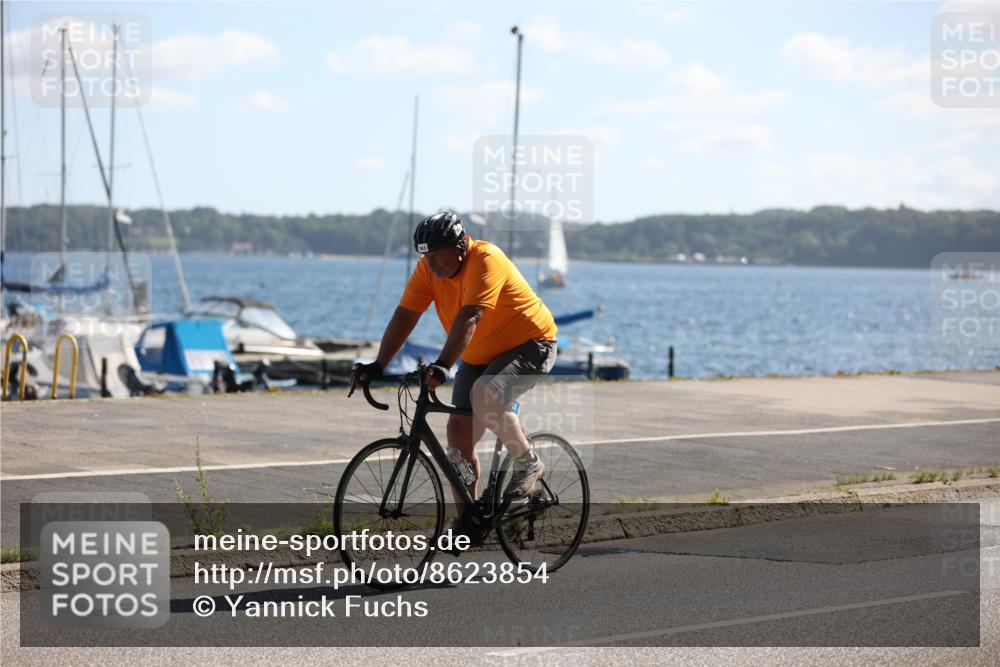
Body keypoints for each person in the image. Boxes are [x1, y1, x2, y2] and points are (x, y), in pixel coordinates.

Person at [353, 211, 558, 531]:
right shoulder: (427, 270)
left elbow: (471, 317)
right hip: (479, 354)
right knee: (457, 438)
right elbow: (405, 315)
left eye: (437, 255)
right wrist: (379, 364)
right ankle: (469, 521)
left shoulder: (486, 259)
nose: (431, 262)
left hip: (532, 344)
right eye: (425, 255)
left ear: (460, 246)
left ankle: (527, 462)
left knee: (485, 395)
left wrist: (443, 365)